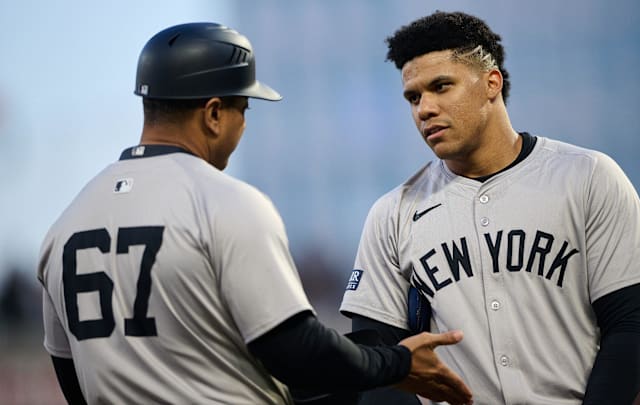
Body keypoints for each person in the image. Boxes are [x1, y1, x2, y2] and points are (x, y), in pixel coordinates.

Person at [37, 22, 473, 405]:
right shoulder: (223, 202)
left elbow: (70, 376)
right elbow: (298, 352)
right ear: (213, 114)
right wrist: (396, 362)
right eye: (242, 109)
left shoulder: (64, 225)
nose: (243, 125)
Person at [340, 10, 640, 405]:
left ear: (491, 83)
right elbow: (378, 359)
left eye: (441, 86)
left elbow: (630, 326)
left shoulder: (588, 177)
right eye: (414, 97)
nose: (424, 109)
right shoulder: (392, 213)